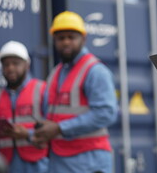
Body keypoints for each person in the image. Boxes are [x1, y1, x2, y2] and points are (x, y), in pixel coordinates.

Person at [32, 11, 118, 173]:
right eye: (60, 38)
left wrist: (59, 128)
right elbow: (51, 116)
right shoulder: (55, 73)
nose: (65, 42)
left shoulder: (95, 71)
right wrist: (40, 133)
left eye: (71, 37)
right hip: (59, 160)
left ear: (83, 39)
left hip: (89, 161)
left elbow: (106, 113)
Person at [0, 41, 48, 173]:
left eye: (15, 63)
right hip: (7, 165)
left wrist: (27, 134)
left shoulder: (42, 90)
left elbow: (54, 127)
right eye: (6, 64)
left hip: (39, 165)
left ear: (27, 65)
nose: (10, 68)